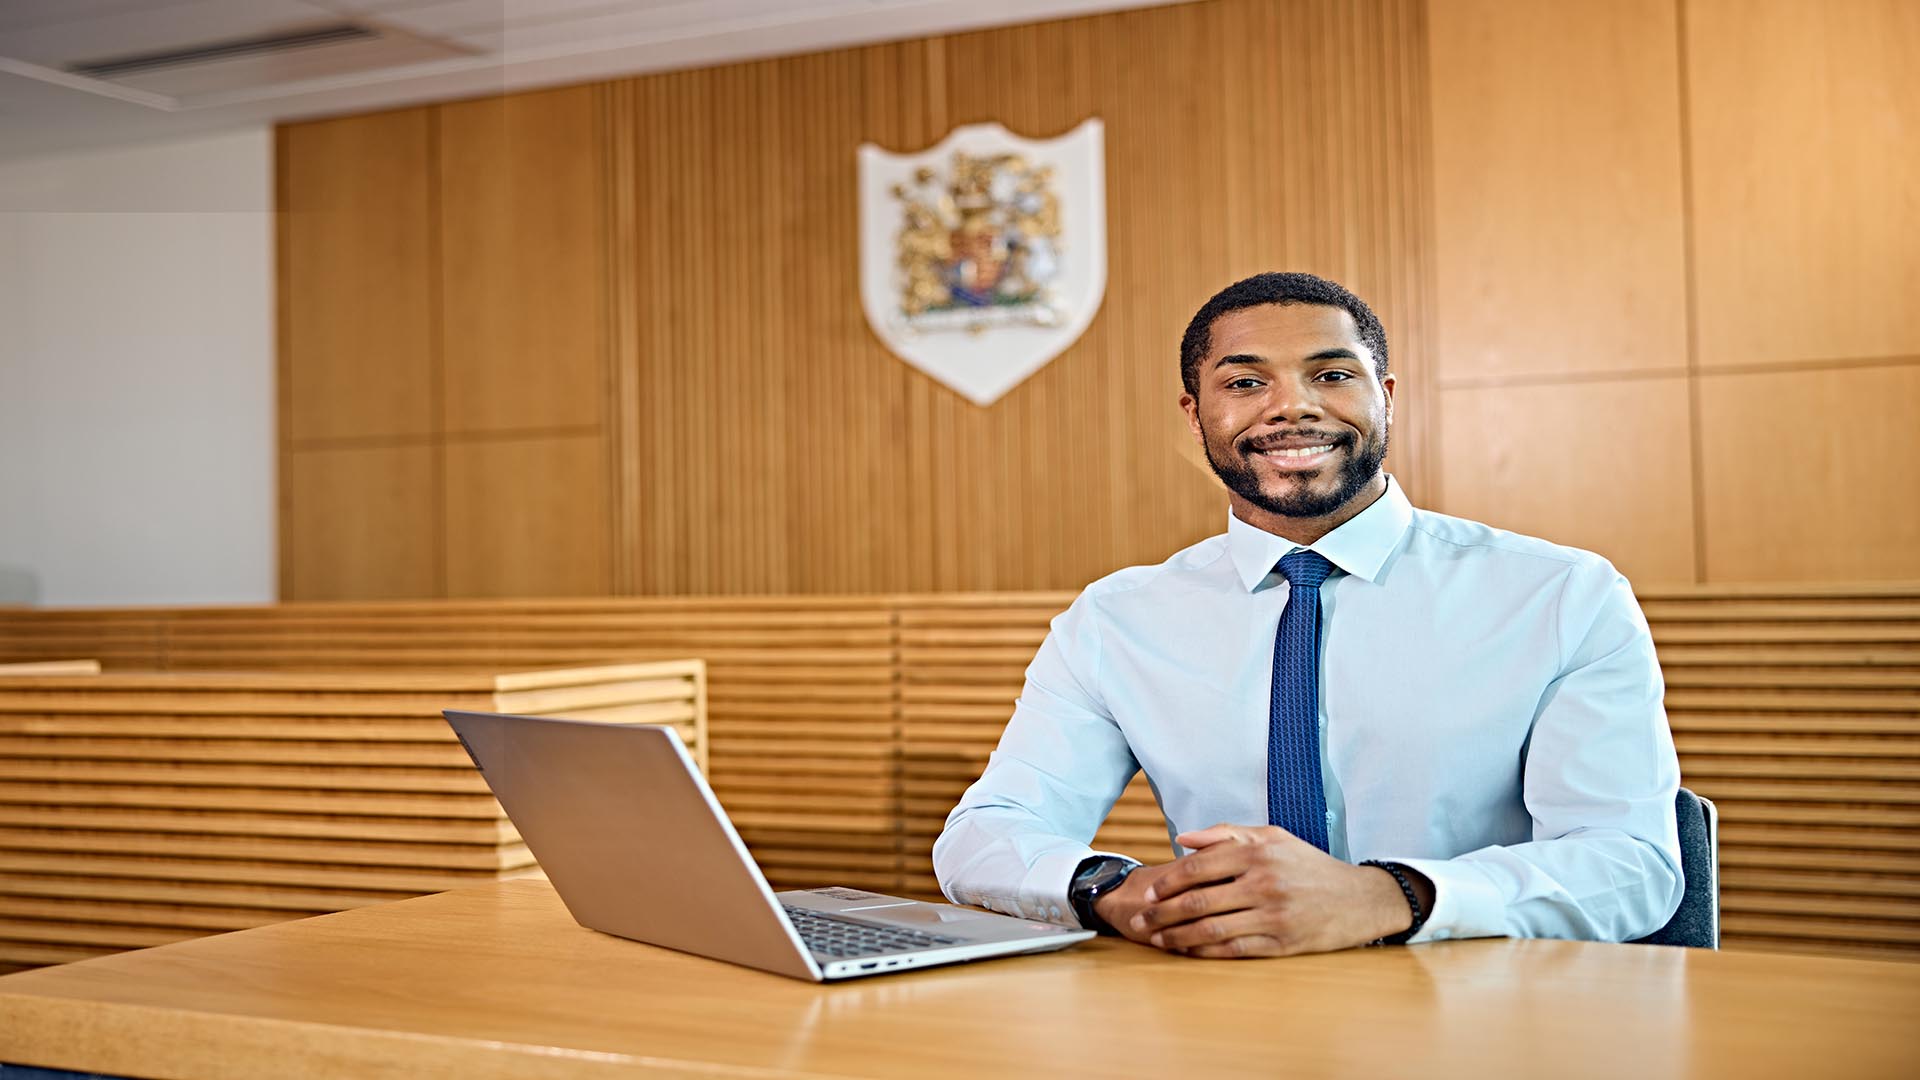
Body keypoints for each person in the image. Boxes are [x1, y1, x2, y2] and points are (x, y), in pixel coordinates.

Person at [932, 271, 1683, 957]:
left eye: (1331, 375)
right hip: (1226, 1013)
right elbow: (983, 836)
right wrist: (1115, 889)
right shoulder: (1115, 620)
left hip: (1482, 1018)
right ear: (1196, 417)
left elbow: (1629, 863)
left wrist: (1390, 897)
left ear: (1385, 395)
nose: (1291, 405)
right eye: (1245, 381)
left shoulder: (1561, 595)